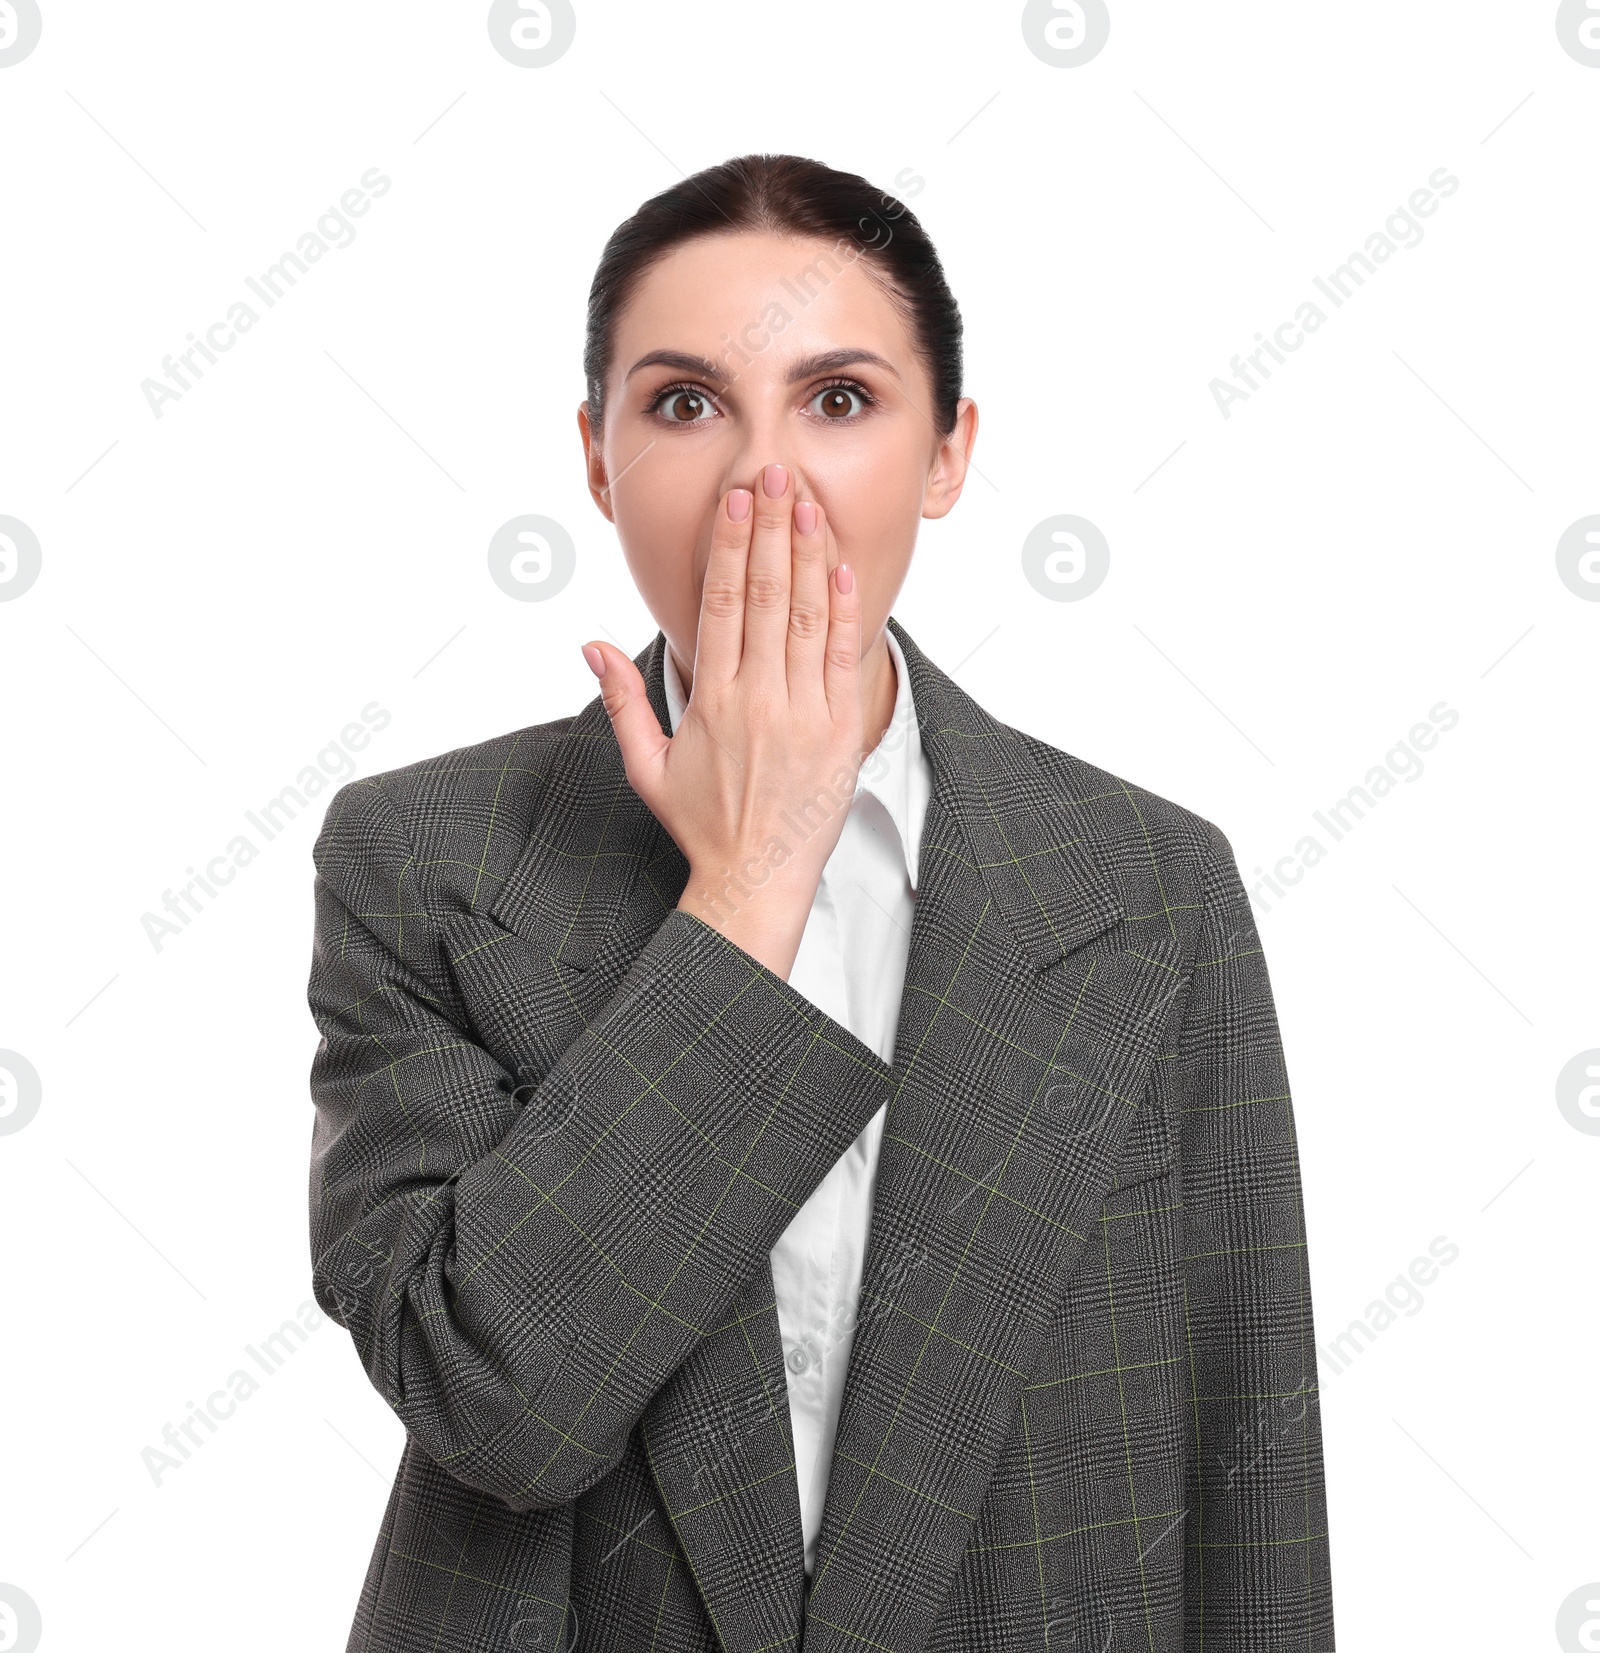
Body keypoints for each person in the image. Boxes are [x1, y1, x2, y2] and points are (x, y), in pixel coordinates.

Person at [306, 152, 1336, 1653]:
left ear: (947, 454)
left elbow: (1247, 1461)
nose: (760, 483)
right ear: (597, 460)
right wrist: (750, 883)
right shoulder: (423, 856)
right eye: (684, 403)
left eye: (839, 401)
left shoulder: (1148, 888)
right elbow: (498, 1401)